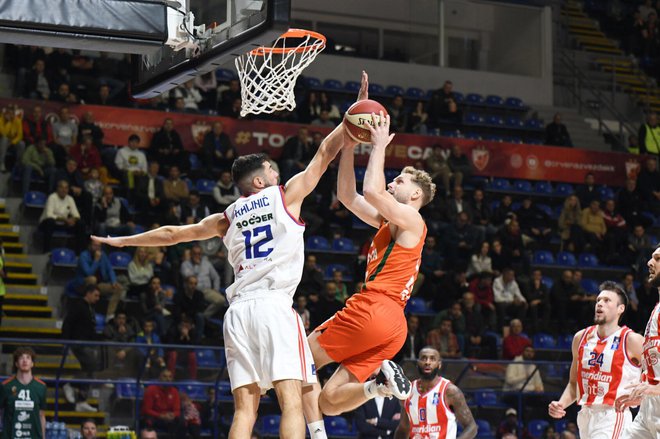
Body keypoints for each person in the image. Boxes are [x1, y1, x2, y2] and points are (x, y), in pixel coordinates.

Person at [92, 99, 351, 438]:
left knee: (245, 409)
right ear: (259, 182)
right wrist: (351, 118)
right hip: (273, 305)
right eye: (273, 170)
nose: (278, 174)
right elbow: (325, 152)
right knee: (290, 401)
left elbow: (173, 234)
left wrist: (125, 242)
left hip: (239, 311)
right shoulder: (284, 196)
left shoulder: (225, 217)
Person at [303, 73, 435, 435]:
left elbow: (373, 190)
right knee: (330, 401)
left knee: (297, 358)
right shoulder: (388, 223)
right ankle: (379, 386)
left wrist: (378, 144)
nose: (393, 182)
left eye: (401, 182)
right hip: (392, 328)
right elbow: (348, 196)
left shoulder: (411, 219)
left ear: (414, 196)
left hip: (375, 309)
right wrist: (350, 137)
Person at [548, 281, 643, 438]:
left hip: (613, 414)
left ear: (621, 309)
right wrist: (561, 404)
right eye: (598, 300)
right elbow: (574, 384)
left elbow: (656, 373)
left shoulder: (631, 340)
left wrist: (643, 396)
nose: (599, 304)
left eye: (607, 301)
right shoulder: (581, 338)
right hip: (585, 414)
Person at [616, 244, 660, 437]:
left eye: (658, 258)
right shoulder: (656, 309)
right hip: (649, 408)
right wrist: (643, 390)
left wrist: (655, 388)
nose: (650, 262)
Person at [393, 347, 477, 439]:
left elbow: (471, 427)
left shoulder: (450, 391)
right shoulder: (408, 391)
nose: (427, 362)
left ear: (439, 364)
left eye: (432, 359)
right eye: (424, 358)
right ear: (417, 363)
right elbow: (403, 429)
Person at [0, 347, 47, 439]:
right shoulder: (6, 386)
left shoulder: (41, 387)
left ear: (32, 363)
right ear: (16, 363)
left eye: (28, 358)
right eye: (21, 358)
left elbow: (41, 415)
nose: (25, 360)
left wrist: (43, 437)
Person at [141, 368, 185, 437]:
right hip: (155, 417)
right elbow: (146, 410)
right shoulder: (151, 389)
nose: (167, 379)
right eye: (165, 376)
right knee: (148, 420)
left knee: (181, 421)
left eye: (170, 377)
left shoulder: (174, 391)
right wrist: (160, 415)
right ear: (159, 378)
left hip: (168, 418)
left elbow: (177, 410)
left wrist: (172, 415)